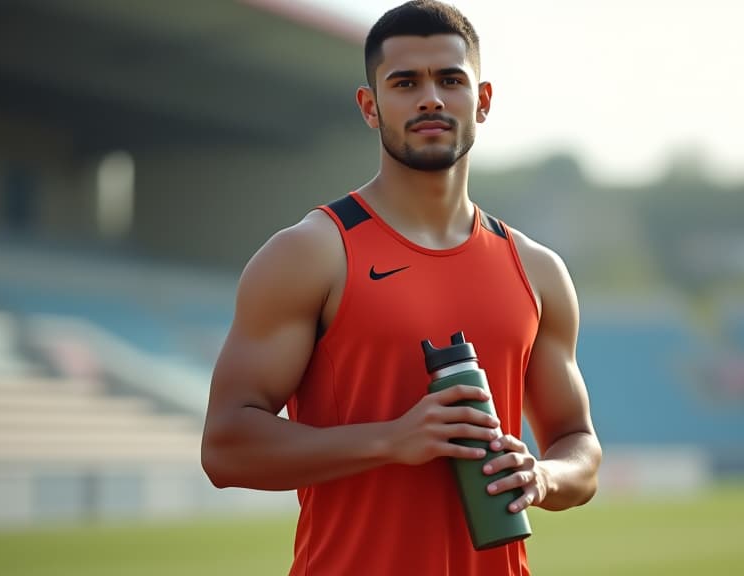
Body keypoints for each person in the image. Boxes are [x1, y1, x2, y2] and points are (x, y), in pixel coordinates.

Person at [201, 1, 602, 574]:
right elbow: (225, 448)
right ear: (370, 106)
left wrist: (542, 475)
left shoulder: (536, 269)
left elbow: (579, 446)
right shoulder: (312, 252)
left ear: (482, 100)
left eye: (450, 80)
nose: (431, 98)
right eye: (405, 82)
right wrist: (392, 439)